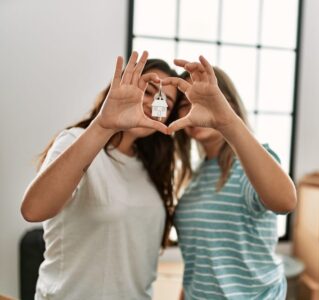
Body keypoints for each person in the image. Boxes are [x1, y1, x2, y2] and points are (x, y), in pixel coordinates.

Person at [20, 51, 178, 300]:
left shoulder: (153, 167)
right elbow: (34, 210)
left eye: (165, 102)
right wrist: (105, 125)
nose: (152, 102)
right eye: (146, 91)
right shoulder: (75, 141)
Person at [164, 56, 297, 299]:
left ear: (230, 105)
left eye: (205, 98)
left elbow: (285, 201)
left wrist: (225, 121)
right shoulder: (194, 177)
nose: (194, 105)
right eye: (184, 102)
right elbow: (200, 262)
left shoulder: (251, 162)